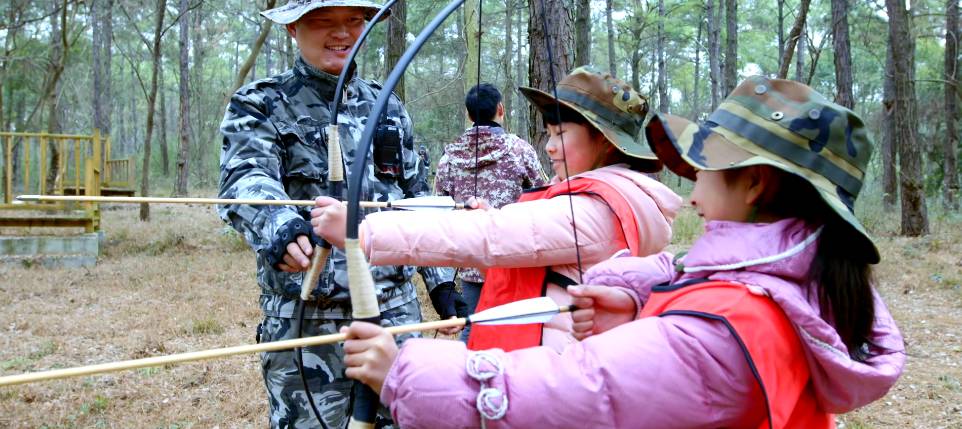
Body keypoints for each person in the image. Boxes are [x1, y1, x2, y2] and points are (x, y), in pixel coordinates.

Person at [335, 76, 906, 428]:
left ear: (755, 184)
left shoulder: (722, 327)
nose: (694, 188)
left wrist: (403, 369)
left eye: (704, 169)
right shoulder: (799, 284)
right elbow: (682, 315)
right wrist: (640, 304)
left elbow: (584, 393)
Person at [312, 67, 683, 352]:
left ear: (603, 140)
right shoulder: (617, 197)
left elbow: (490, 236)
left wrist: (360, 231)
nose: (550, 147)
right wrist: (491, 215)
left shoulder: (592, 210)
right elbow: (515, 231)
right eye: (549, 135)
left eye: (560, 134)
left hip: (555, 369)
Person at [217, 1, 460, 427]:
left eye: (353, 21)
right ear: (293, 28)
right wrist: (280, 226)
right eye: (322, 21)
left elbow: (414, 198)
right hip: (310, 324)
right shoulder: (260, 103)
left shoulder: (387, 106)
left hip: (393, 316)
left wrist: (441, 283)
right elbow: (245, 178)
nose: (342, 33)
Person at [434, 83, 547, 342]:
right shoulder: (519, 150)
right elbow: (545, 195)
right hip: (515, 258)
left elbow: (442, 207)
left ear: (469, 114)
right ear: (501, 109)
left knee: (474, 326)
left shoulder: (449, 157)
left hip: (472, 258)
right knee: (519, 329)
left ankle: (469, 377)